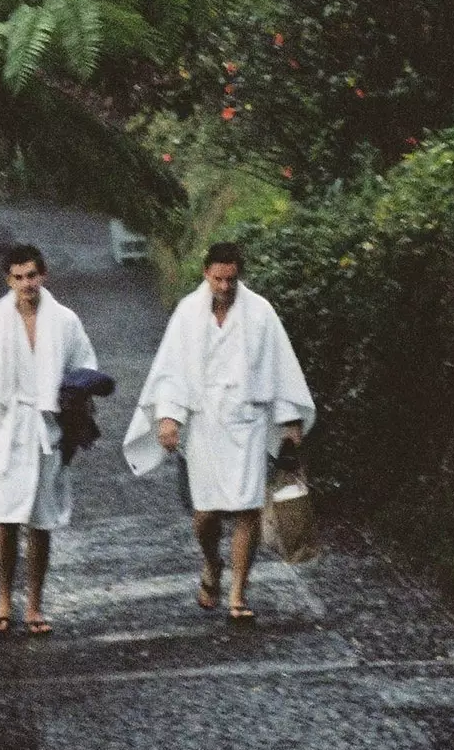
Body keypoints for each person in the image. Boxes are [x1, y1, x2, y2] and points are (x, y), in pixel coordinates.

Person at [123, 242, 315, 621]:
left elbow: (281, 367)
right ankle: (212, 564)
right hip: (206, 423)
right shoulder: (187, 313)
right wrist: (168, 417)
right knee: (206, 513)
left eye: (231, 279)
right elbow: (172, 368)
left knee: (247, 510)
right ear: (205, 273)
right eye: (218, 279)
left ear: (238, 275)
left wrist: (289, 421)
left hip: (248, 421)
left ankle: (239, 594)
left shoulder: (260, 312)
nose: (225, 287)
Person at [0, 242, 99, 635]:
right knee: (4, 517)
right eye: (18, 277)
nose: (26, 283)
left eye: (32, 275)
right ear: (8, 279)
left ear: (43, 275)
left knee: (41, 520)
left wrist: (77, 402)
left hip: (47, 429)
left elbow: (86, 368)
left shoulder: (64, 320)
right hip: (6, 428)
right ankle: (3, 601)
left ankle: (35, 605)